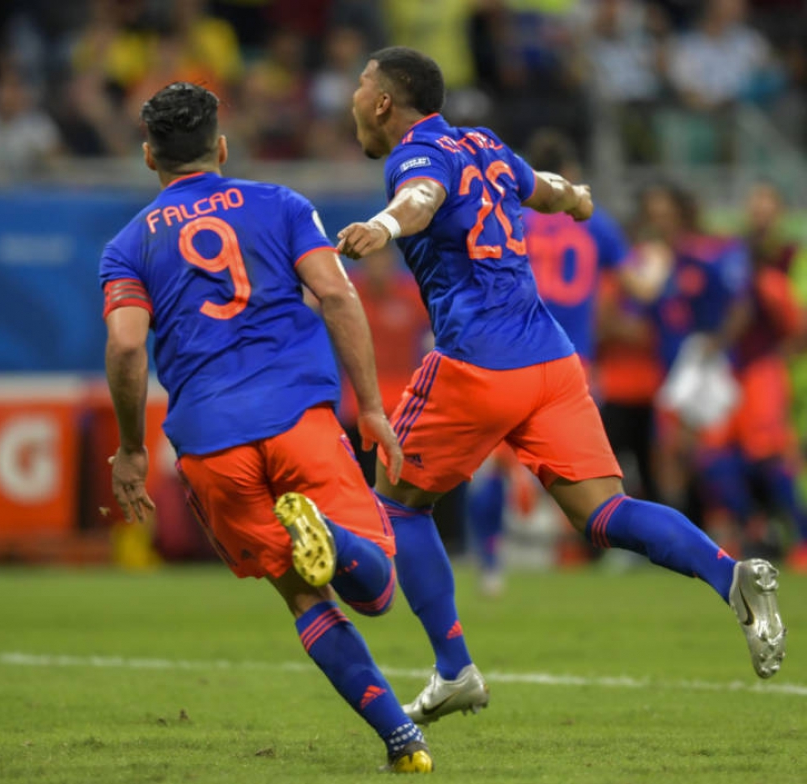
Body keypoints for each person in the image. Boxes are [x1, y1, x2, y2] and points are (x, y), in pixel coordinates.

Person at [337, 47, 786, 726]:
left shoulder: (414, 155)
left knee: (398, 502)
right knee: (604, 512)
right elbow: (541, 187)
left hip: (477, 362)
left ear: (382, 103)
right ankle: (731, 576)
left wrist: (383, 224)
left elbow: (421, 198)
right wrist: (576, 199)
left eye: (359, 86)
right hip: (552, 361)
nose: (352, 98)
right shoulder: (483, 145)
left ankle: (454, 668)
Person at [101, 82, 432, 773]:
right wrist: (372, 406)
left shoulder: (128, 246)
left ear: (149, 156)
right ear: (221, 148)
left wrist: (131, 448)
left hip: (210, 441)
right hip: (296, 415)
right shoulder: (281, 205)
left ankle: (402, 739)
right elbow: (335, 293)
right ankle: (331, 534)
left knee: (302, 594)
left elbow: (128, 346)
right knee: (375, 591)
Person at [465, 128, 632, 591]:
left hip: (510, 356)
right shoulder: (595, 224)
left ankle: (490, 562)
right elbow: (638, 285)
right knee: (584, 468)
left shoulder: (512, 214)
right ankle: (605, 549)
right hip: (572, 362)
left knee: (496, 465)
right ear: (571, 172)